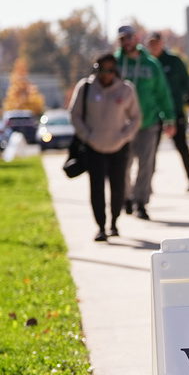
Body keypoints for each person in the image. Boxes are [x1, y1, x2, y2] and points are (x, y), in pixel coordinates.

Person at [69, 54, 142, 241]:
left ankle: (114, 223)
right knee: (97, 188)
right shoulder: (86, 88)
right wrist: (87, 136)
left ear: (115, 70)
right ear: (97, 68)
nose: (106, 74)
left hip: (118, 147)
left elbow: (135, 117)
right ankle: (100, 226)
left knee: (118, 187)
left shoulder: (125, 90)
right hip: (94, 147)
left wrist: (124, 136)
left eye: (110, 70)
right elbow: (75, 114)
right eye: (102, 69)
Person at [115, 25, 175, 221]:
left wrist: (169, 118)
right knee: (123, 165)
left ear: (136, 38)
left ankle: (141, 201)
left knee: (146, 165)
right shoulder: (115, 63)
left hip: (148, 122)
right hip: (121, 125)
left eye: (130, 37)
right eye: (123, 38)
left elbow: (163, 92)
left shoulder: (151, 64)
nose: (127, 42)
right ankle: (126, 197)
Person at [146, 32, 189, 192]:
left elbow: (187, 83)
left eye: (157, 42)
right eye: (151, 43)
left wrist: (178, 99)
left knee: (182, 145)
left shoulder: (174, 61)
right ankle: (147, 183)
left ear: (162, 43)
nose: (154, 46)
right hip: (153, 113)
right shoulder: (148, 64)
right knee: (150, 149)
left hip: (174, 111)